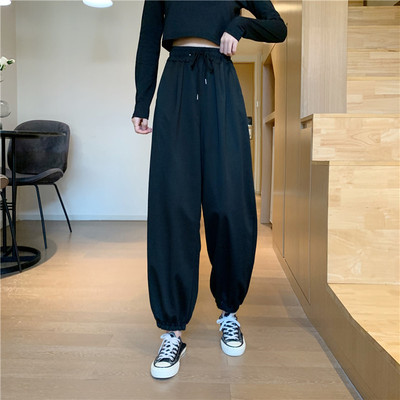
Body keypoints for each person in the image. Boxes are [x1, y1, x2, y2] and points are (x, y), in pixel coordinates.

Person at [131, 0, 287, 380]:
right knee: (174, 205)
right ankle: (172, 330)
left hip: (221, 78)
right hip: (177, 80)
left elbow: (277, 27)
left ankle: (228, 311)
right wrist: (142, 102)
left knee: (230, 204)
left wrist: (239, 26)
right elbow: (149, 39)